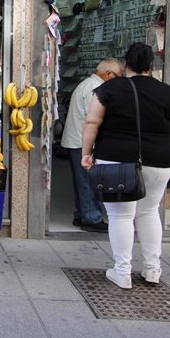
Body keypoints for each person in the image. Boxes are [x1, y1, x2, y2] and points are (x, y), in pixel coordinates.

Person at [81, 43, 170, 289]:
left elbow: (92, 122)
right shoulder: (169, 93)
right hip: (159, 161)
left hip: (116, 159)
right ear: (152, 65)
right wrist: (169, 154)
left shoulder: (109, 89)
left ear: (126, 63)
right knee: (149, 212)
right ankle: (152, 270)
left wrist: (86, 153)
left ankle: (122, 272)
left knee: (120, 215)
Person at [62, 58, 123, 233]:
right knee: (89, 181)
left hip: (78, 141)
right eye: (118, 76)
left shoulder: (88, 84)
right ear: (108, 74)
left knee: (82, 180)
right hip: (82, 142)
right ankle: (91, 217)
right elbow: (94, 118)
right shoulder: (94, 88)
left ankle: (82, 214)